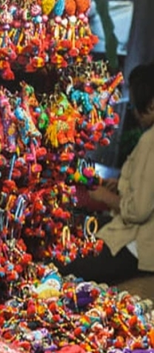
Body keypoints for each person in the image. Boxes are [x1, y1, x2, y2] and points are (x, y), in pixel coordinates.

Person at [60, 60, 154, 284]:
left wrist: (104, 196)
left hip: (136, 246)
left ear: (150, 105)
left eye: (134, 106)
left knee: (64, 260)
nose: (133, 113)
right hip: (135, 238)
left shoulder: (150, 141)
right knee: (78, 233)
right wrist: (122, 184)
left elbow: (139, 210)